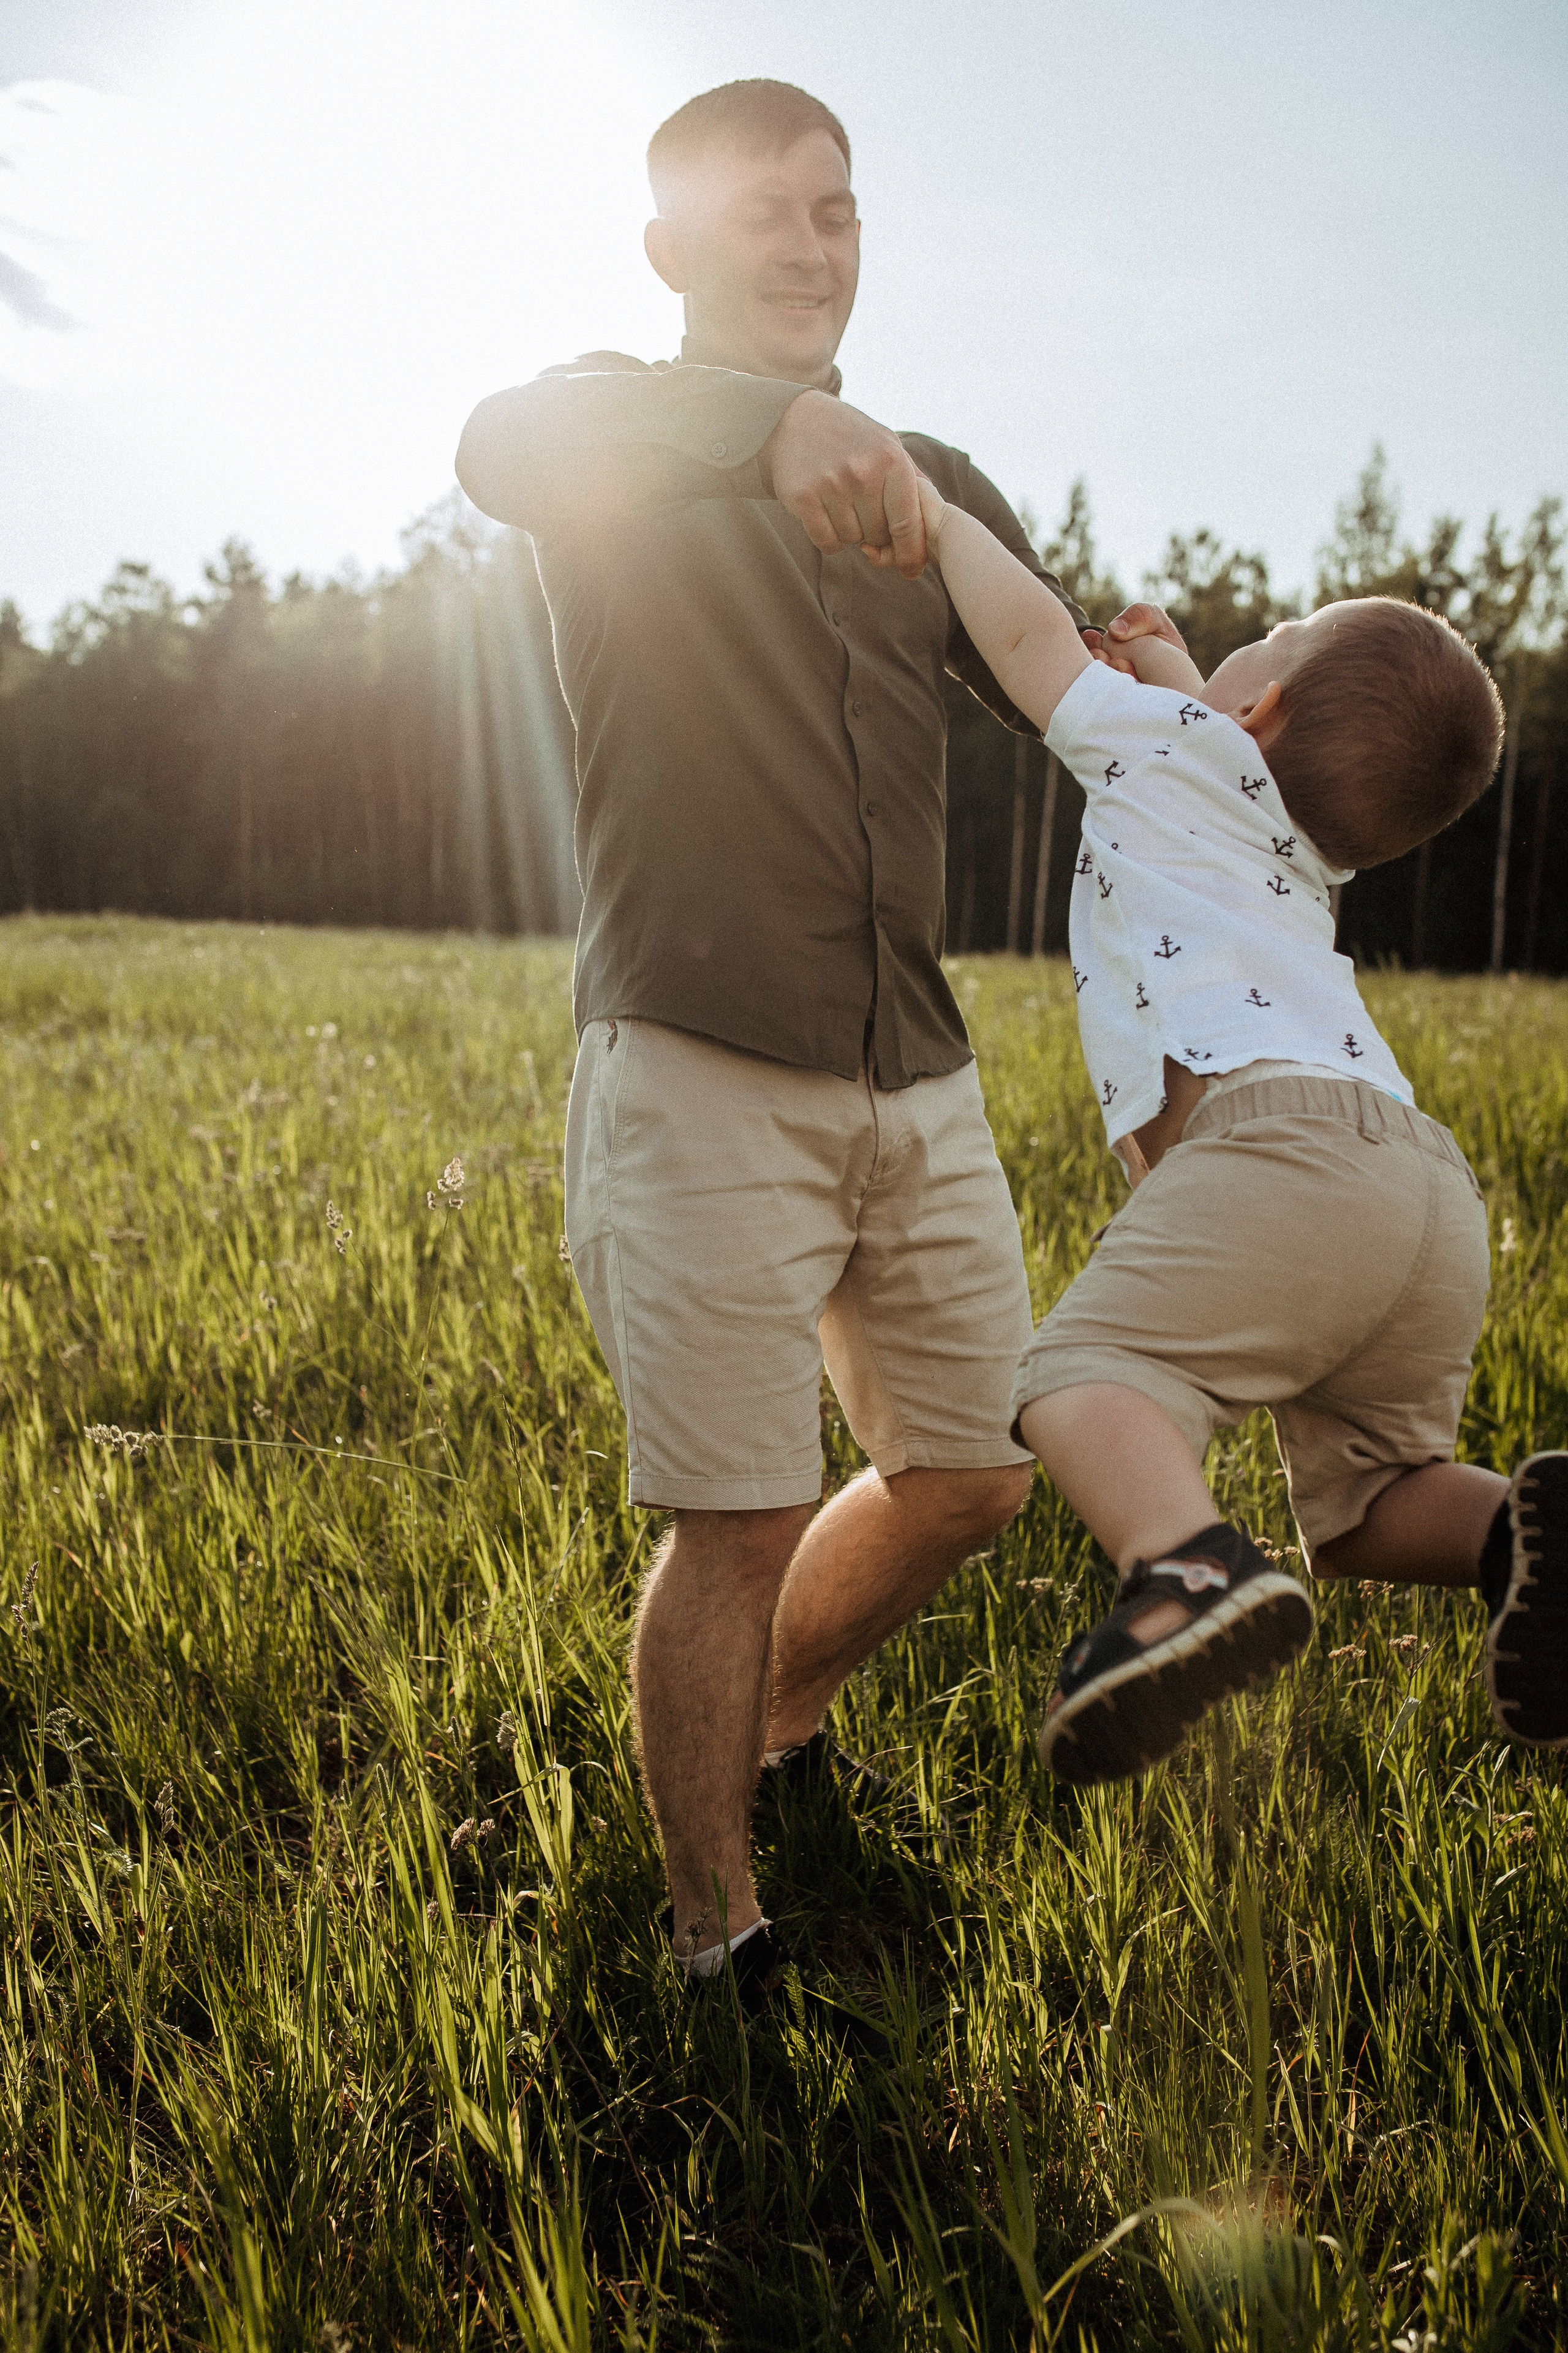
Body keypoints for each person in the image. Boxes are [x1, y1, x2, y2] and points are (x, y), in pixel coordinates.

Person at [455, 80, 1095, 1995]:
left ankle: (780, 1720)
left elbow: (1054, 680)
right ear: (672, 252)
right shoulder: (608, 432)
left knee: (975, 1472)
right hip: (700, 1053)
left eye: (838, 212)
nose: (813, 249)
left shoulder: (931, 478)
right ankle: (713, 1938)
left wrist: (1163, 685)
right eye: (765, 217)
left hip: (918, 1068)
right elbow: (495, 443)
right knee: (736, 1516)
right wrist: (761, 427)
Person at [865, 472, 1567, 1786]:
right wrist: (1180, 669)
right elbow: (1229, 737)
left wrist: (948, 523)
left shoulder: (1176, 752)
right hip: (1423, 1191)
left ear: (1259, 708)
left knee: (1079, 1376)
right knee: (1365, 1508)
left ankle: (1183, 1566)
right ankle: (1512, 1539)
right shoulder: (1302, 850)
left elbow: (1028, 646)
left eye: (1272, 638)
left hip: (1281, 1149)